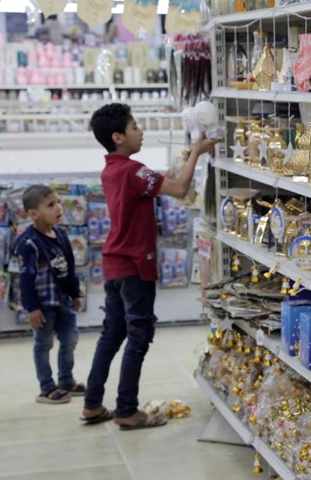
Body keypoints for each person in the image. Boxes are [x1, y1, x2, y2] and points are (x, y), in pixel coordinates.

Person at [81, 103, 216, 429]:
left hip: (115, 263)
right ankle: (127, 409)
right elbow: (180, 190)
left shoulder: (112, 169)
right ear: (118, 137)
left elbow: (160, 181)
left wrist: (182, 161)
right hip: (135, 265)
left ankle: (92, 404)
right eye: (134, 127)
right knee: (139, 335)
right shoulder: (131, 170)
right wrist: (197, 152)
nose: (141, 131)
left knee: (112, 334)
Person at [12, 185, 84, 404]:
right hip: (43, 305)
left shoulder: (61, 234)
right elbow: (25, 278)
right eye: (50, 205)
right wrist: (32, 308)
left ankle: (66, 380)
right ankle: (47, 387)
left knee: (70, 339)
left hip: (63, 300)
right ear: (33, 214)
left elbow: (70, 267)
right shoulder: (28, 242)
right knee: (43, 344)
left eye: (58, 202)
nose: (59, 208)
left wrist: (75, 293)